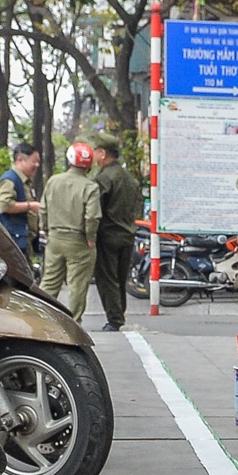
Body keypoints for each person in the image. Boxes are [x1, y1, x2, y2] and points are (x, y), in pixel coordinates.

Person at [39, 141, 103, 321]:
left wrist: (45, 228)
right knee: (77, 285)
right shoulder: (90, 187)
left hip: (55, 238)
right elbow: (92, 217)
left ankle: (42, 319)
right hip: (79, 240)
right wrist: (91, 238)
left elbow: (43, 209)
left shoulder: (53, 181)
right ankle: (74, 323)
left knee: (50, 282)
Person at [89, 133, 140, 332]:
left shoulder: (103, 178)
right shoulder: (128, 178)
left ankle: (114, 319)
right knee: (121, 278)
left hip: (108, 235)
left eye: (95, 151)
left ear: (102, 154)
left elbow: (96, 209)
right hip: (128, 234)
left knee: (107, 279)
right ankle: (120, 314)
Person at [0, 142, 41, 257]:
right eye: (33, 161)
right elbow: (4, 205)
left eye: (38, 162)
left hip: (23, 240)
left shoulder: (24, 181)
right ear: (20, 160)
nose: (37, 165)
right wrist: (30, 206)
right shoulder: (10, 180)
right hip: (12, 241)